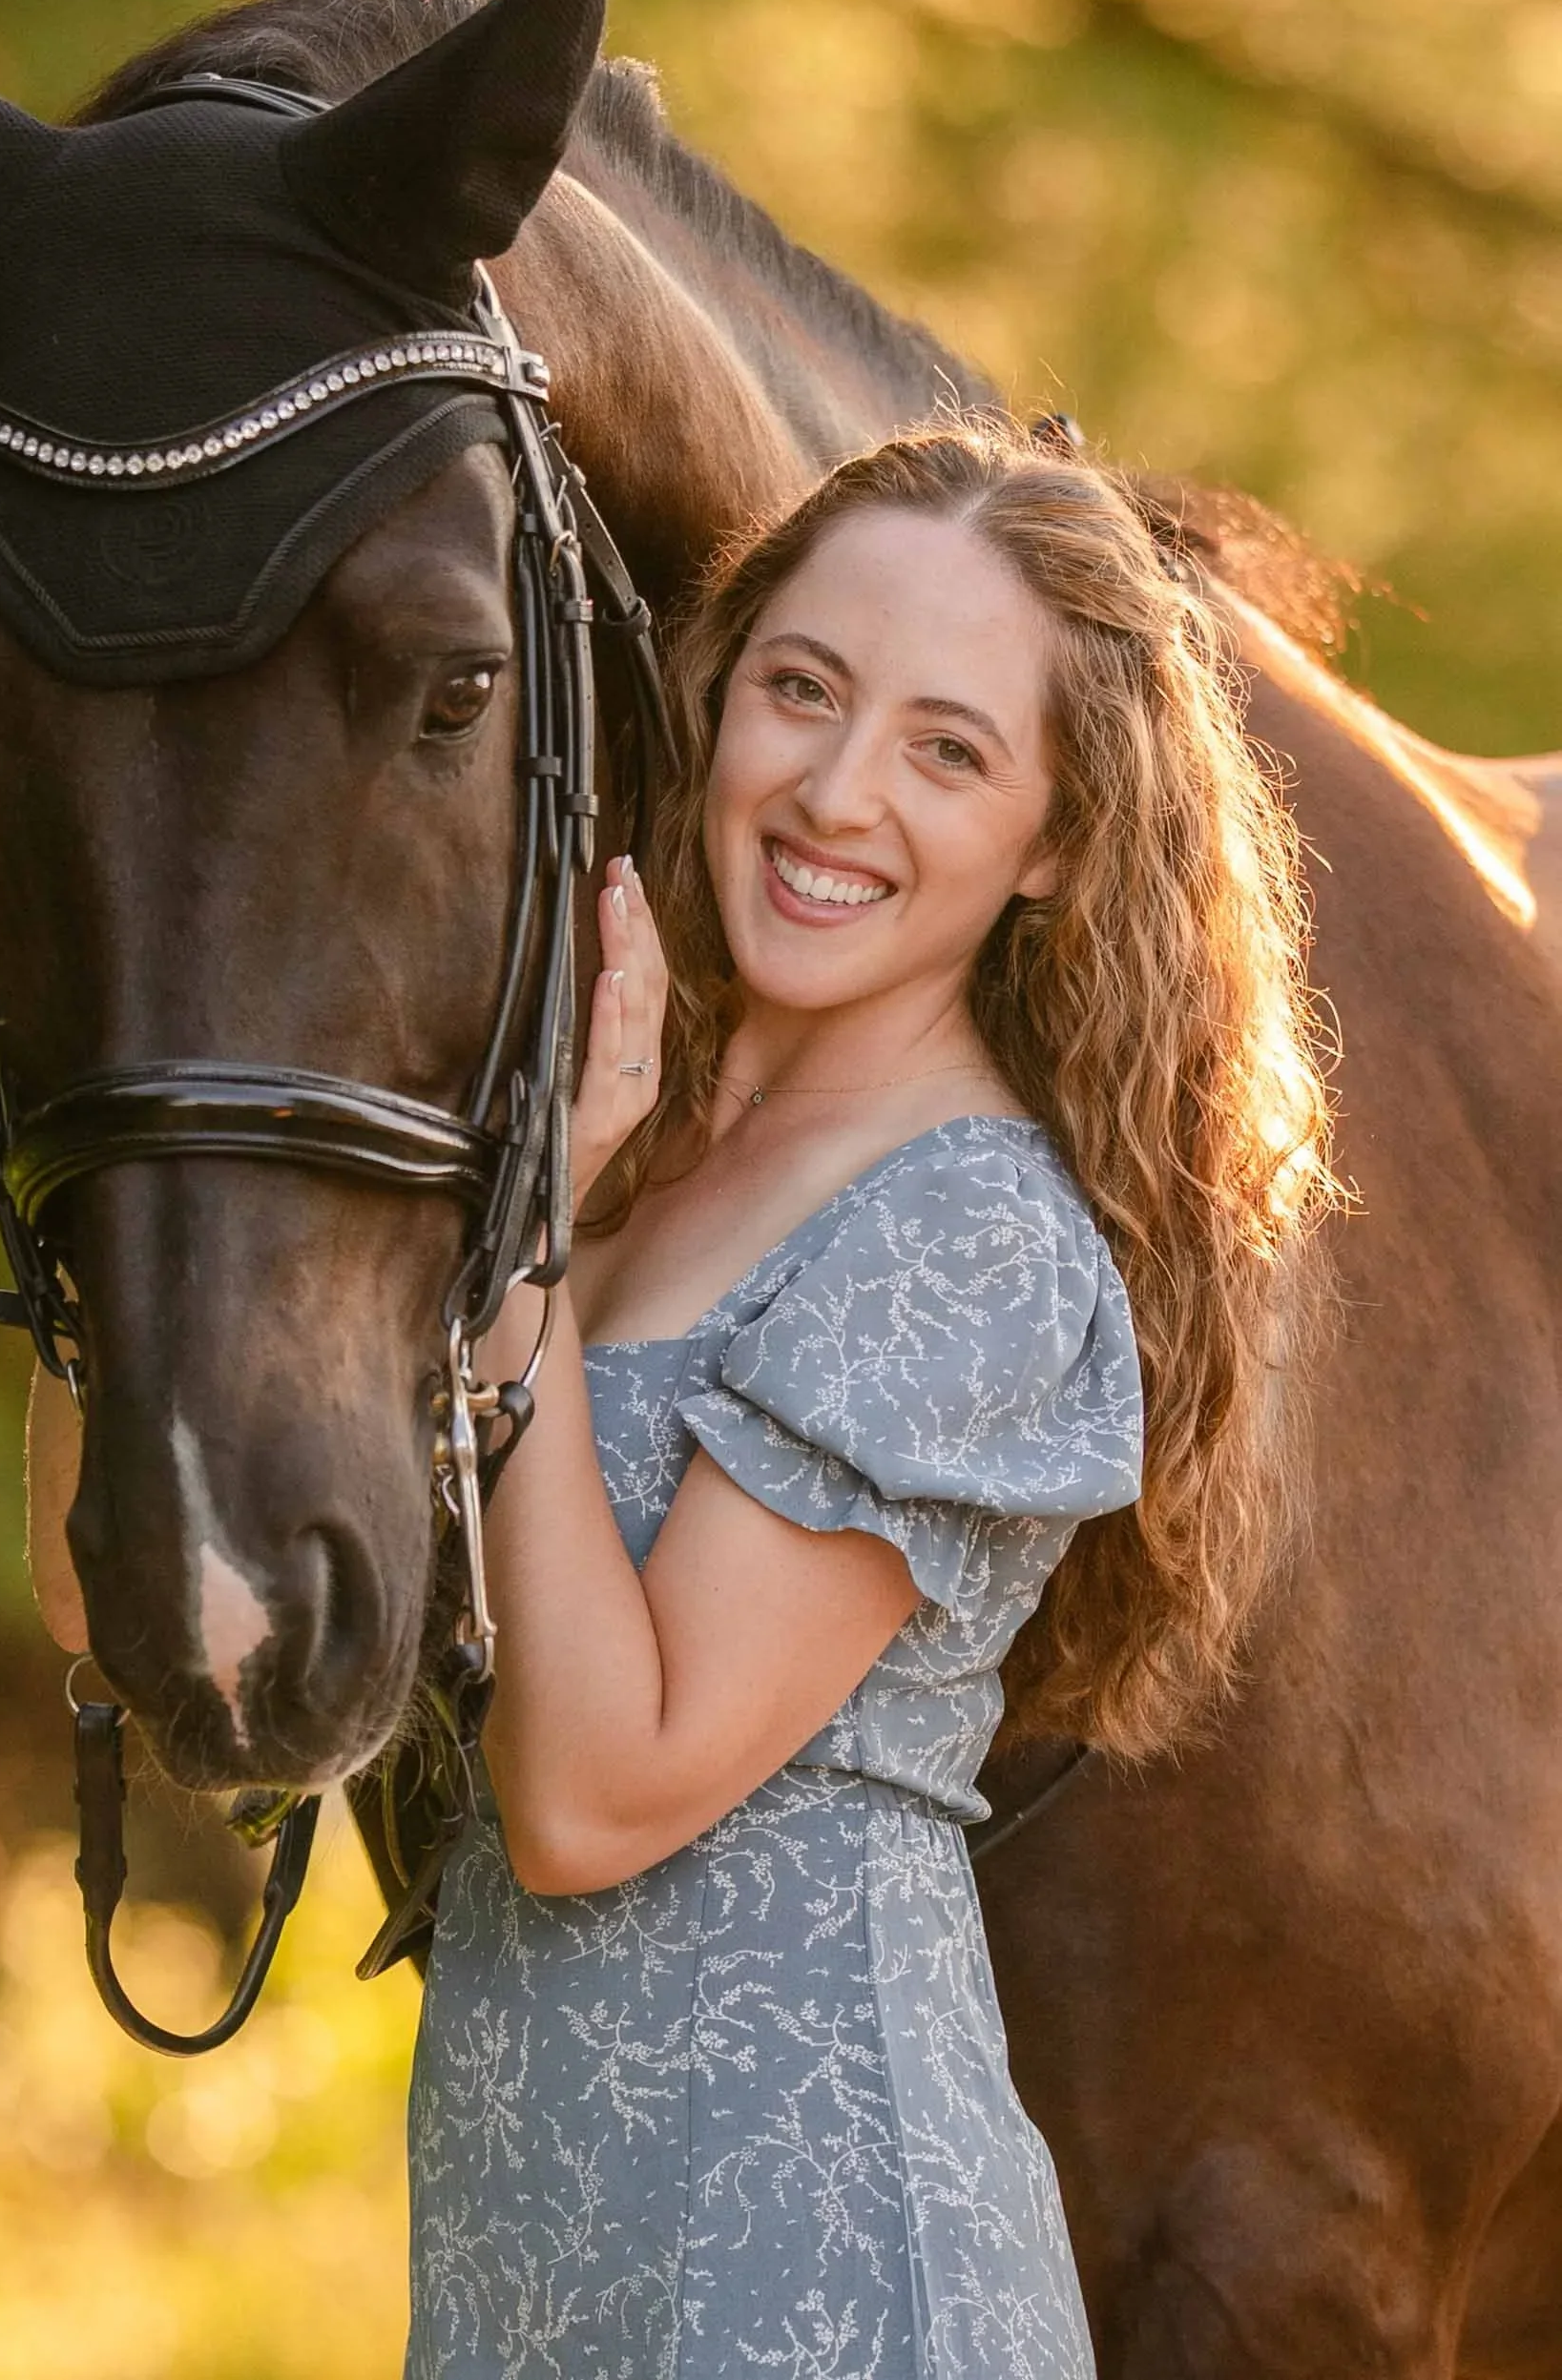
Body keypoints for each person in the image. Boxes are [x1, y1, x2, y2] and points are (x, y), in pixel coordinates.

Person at [401, 417, 1340, 2379]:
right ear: (715, 694)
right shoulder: (623, 1142)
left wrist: (523, 1257)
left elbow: (589, 1794)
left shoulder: (967, 1234)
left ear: (1057, 843)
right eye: (802, 690)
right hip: (535, 2275)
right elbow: (106, 1605)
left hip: (820, 2282)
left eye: (948, 749)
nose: (836, 793)